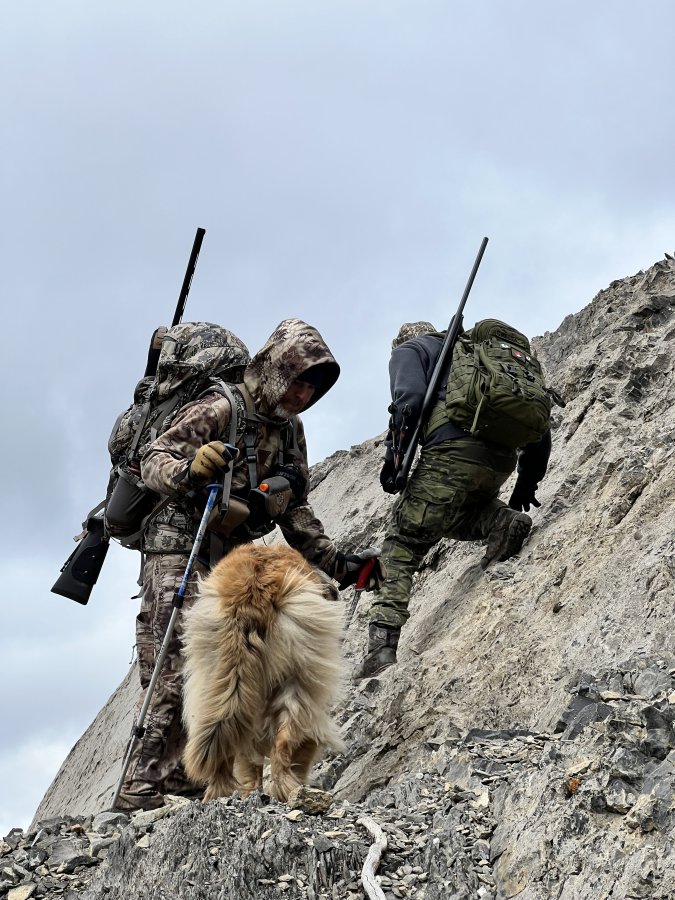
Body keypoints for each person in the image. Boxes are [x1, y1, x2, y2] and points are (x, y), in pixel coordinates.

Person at [117, 318, 377, 811]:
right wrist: (189, 469)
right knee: (174, 661)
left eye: (312, 388)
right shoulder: (220, 408)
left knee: (220, 667)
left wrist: (337, 563)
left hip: (232, 547)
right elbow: (154, 459)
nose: (303, 395)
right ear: (276, 369)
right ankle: (142, 788)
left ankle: (196, 785)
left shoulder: (291, 431)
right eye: (298, 381)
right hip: (178, 538)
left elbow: (295, 506)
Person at [355, 320, 551, 680]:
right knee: (456, 512)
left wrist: (394, 461)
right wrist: (527, 482)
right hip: (499, 461)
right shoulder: (477, 355)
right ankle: (502, 520)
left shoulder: (411, 350)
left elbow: (409, 401)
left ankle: (381, 649)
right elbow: (540, 423)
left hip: (451, 452)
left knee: (403, 542)